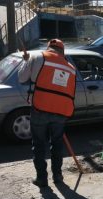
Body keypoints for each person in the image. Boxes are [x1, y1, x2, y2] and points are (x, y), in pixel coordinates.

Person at [18, 39, 77, 187]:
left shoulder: (38, 57)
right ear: (62, 51)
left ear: (49, 48)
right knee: (57, 143)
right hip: (61, 111)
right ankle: (58, 177)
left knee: (39, 144)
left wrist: (25, 61)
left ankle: (42, 179)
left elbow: (22, 78)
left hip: (40, 108)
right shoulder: (70, 67)